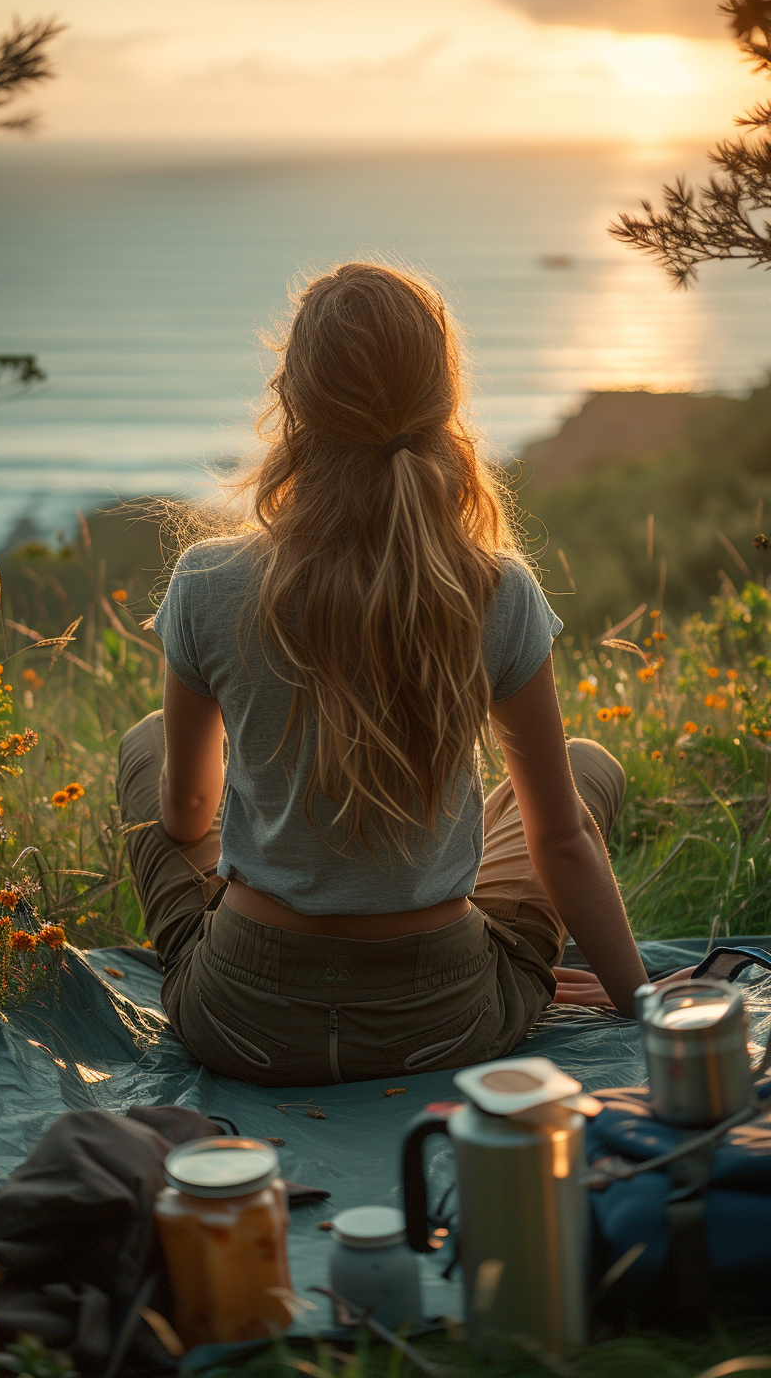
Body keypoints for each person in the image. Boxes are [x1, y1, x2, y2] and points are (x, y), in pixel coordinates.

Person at [117, 261, 653, 1088]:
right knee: (578, 776)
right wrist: (642, 1007)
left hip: (244, 1020)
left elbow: (187, 816)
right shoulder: (497, 589)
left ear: (292, 403)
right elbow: (562, 843)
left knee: (153, 747)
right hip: (448, 1022)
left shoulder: (206, 583)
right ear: (443, 404)